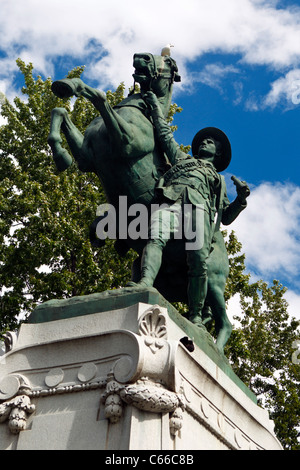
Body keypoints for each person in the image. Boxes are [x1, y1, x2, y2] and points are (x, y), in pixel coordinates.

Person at [130, 91, 250, 327]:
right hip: (171, 202)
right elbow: (165, 135)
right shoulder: (182, 158)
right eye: (204, 140)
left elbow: (225, 217)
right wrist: (155, 105)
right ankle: (145, 282)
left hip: (199, 212)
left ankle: (195, 314)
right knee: (155, 237)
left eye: (211, 142)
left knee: (197, 261)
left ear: (219, 153)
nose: (206, 141)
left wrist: (241, 200)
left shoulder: (218, 180)